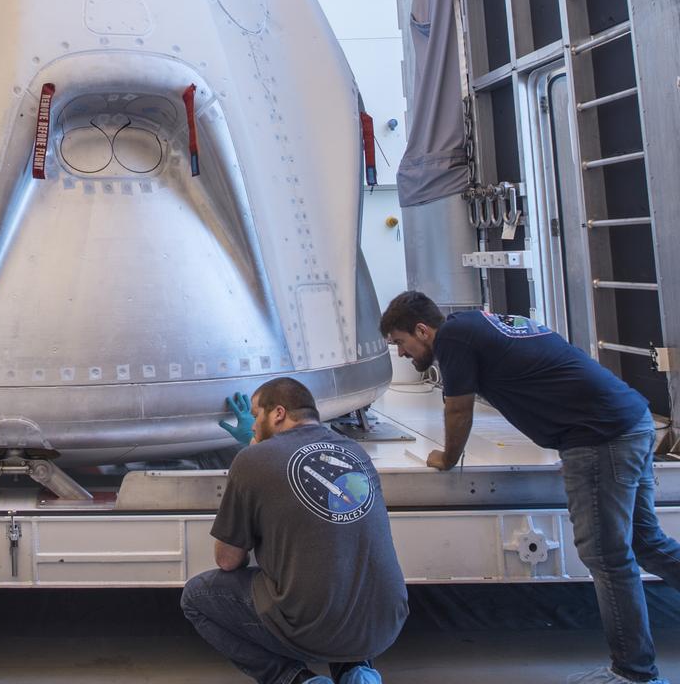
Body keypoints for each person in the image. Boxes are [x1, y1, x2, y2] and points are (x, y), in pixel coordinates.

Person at [381, 290, 680, 684]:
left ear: (422, 330)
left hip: (597, 436)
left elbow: (458, 408)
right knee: (645, 542)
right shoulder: (475, 325)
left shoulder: (453, 338)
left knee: (607, 557)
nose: (401, 354)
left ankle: (635, 672)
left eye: (401, 343)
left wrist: (447, 457)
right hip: (629, 420)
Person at [182, 377, 406, 684]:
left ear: (277, 414)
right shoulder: (356, 452)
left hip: (312, 626)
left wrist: (251, 455)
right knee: (343, 562)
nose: (252, 425)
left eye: (256, 415)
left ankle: (295, 679)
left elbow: (227, 561)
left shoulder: (252, 460)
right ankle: (357, 673)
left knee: (195, 598)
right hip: (386, 622)